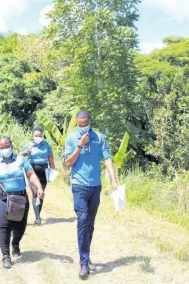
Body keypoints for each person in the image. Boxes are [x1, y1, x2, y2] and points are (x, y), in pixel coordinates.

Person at [64, 110, 119, 279]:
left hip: (95, 186)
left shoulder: (99, 138)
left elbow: (107, 158)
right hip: (79, 185)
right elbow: (68, 162)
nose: (82, 127)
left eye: (84, 124)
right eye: (79, 125)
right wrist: (80, 145)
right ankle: (83, 264)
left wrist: (114, 180)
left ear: (89, 122)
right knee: (82, 220)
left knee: (90, 224)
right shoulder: (72, 138)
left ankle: (86, 258)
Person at [0, 136, 45, 269]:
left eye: (6, 146)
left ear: (12, 146)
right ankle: (5, 256)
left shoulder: (21, 160)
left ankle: (15, 243)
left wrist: (39, 187)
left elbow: (31, 174)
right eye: (1, 147)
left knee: (20, 226)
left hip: (20, 198)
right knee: (3, 227)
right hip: (2, 197)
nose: (4, 149)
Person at [19, 127, 55, 225]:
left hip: (44, 171)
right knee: (35, 193)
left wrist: (52, 170)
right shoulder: (28, 146)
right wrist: (26, 152)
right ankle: (37, 217)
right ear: (32, 136)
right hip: (32, 171)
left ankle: (38, 213)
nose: (38, 137)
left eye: (40, 136)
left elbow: (51, 158)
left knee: (41, 193)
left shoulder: (46, 145)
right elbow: (19, 156)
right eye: (36, 136)